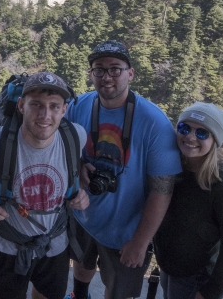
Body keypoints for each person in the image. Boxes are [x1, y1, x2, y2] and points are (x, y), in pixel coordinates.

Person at [65, 40, 182, 299]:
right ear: (91, 74)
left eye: (115, 69)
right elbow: (62, 147)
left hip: (126, 231)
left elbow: (162, 190)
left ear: (130, 73)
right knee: (81, 262)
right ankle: (79, 295)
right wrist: (80, 165)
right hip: (84, 217)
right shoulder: (78, 106)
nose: (107, 77)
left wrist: (140, 242)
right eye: (99, 69)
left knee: (118, 290)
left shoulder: (154, 123)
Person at [0, 71, 90, 299]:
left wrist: (80, 188)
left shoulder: (75, 137)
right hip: (8, 244)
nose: (45, 115)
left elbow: (73, 165)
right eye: (36, 104)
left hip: (55, 242)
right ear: (22, 106)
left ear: (64, 110)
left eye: (54, 106)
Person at [153, 103, 223, 299]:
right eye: (184, 128)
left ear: (215, 139)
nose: (190, 137)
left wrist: (209, 293)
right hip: (169, 266)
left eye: (202, 133)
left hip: (195, 276)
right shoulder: (173, 165)